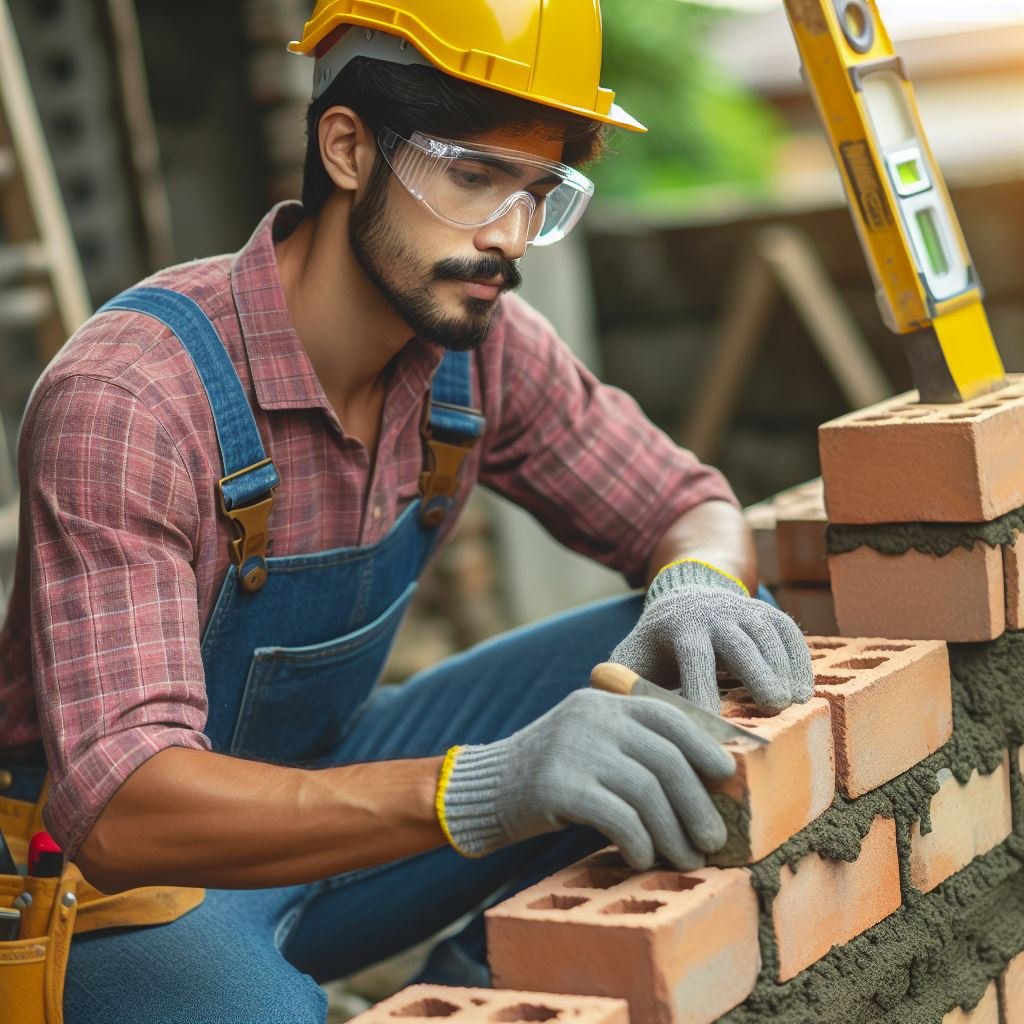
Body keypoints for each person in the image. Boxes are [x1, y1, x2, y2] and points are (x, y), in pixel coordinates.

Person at [0, 2, 812, 1020]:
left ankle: (478, 994)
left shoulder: (479, 348)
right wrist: (487, 785)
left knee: (692, 648)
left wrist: (697, 581)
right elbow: (120, 805)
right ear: (345, 147)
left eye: (540, 191)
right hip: (113, 891)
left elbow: (685, 502)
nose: (508, 236)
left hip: (337, 813)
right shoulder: (133, 398)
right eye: (473, 176)